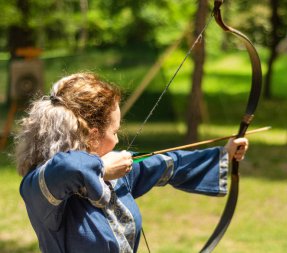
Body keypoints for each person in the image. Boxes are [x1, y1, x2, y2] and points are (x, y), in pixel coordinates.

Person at [15, 72, 249, 253]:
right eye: (115, 131)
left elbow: (168, 163)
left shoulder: (115, 175)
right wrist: (103, 170)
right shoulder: (41, 188)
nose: (118, 139)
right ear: (92, 136)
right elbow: (68, 168)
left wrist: (225, 153)